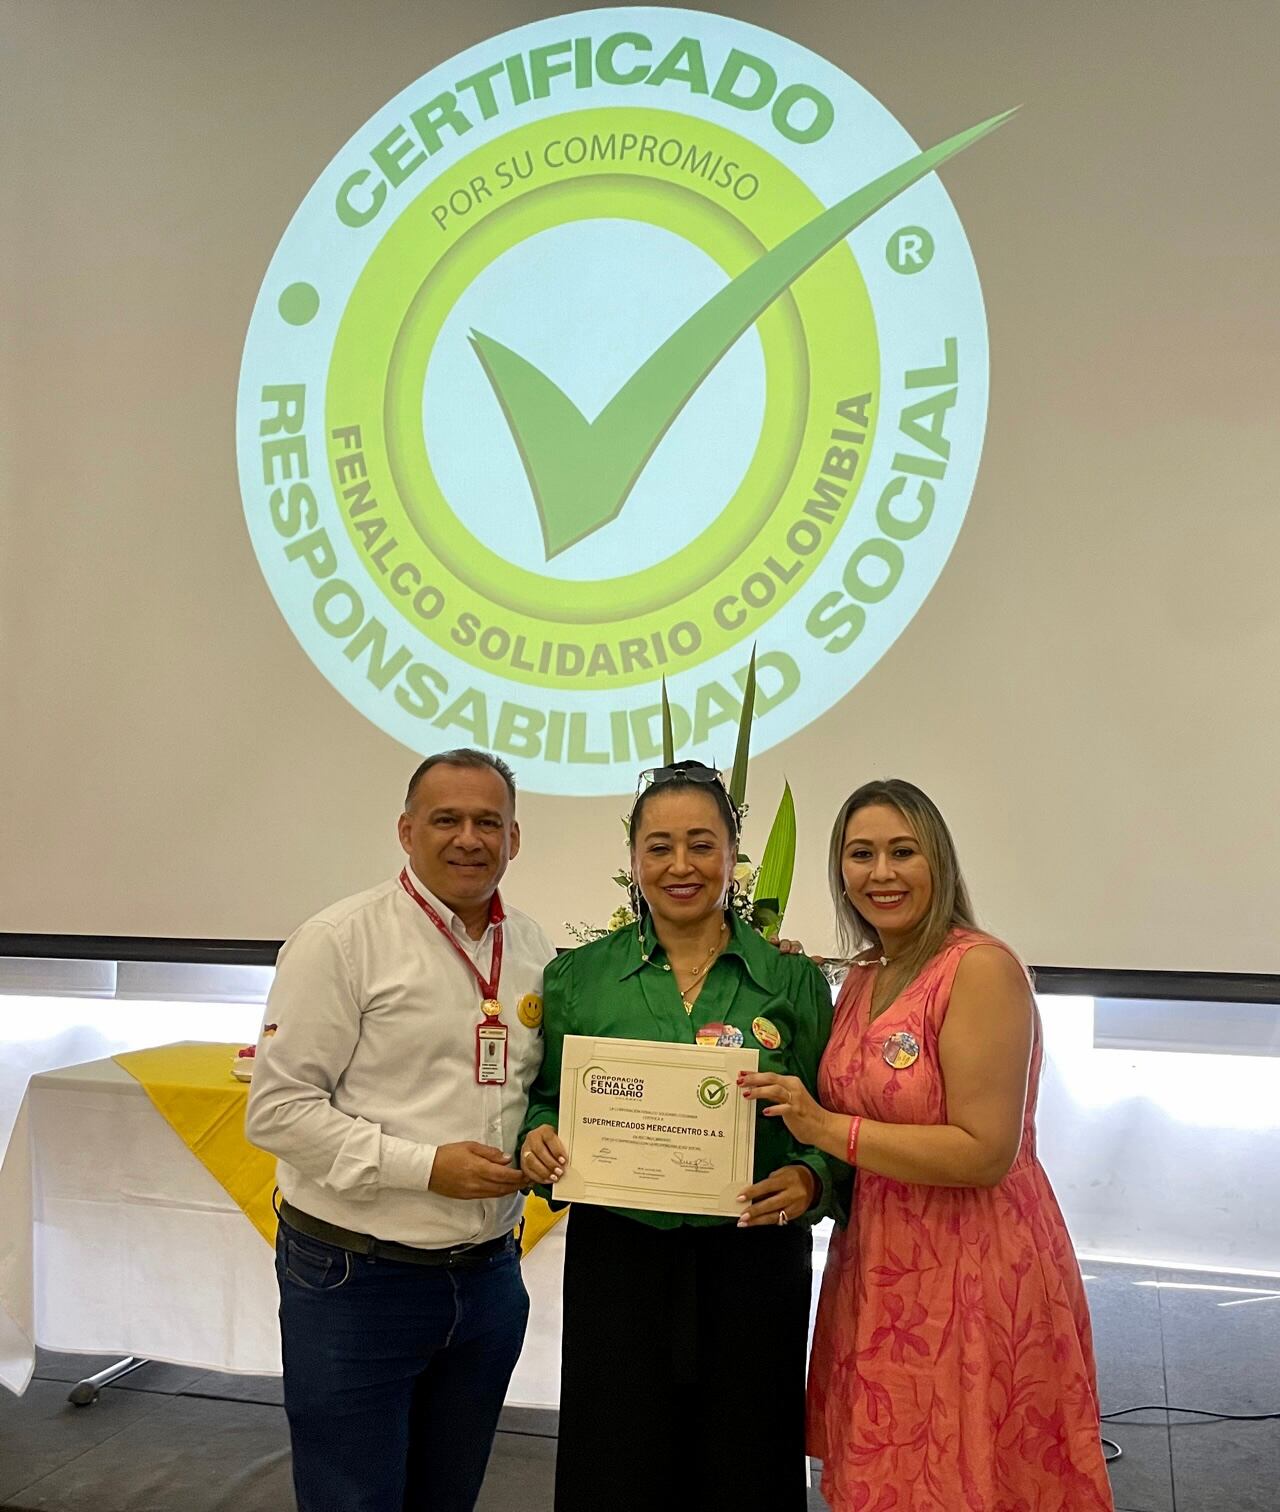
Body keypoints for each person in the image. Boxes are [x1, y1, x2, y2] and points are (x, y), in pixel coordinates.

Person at [740, 778, 1114, 1511]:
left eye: (902, 851)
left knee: (971, 1479)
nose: (881, 873)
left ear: (937, 861)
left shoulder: (979, 968)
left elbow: (985, 1151)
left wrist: (827, 1129)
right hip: (880, 1270)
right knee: (888, 1478)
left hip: (975, 1271)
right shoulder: (861, 978)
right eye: (861, 854)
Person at [518, 760, 847, 1511]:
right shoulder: (577, 978)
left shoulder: (792, 982)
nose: (680, 866)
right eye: (658, 847)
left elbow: (829, 1123)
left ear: (735, 857)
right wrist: (538, 1141)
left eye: (702, 845)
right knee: (616, 1462)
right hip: (619, 1259)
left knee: (747, 1462)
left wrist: (807, 1179)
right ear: (633, 861)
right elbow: (541, 1103)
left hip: (753, 1257)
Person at [245, 749, 555, 1512]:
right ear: (406, 831)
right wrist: (425, 1167)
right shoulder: (339, 940)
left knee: (446, 1499)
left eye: (490, 822)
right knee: (353, 1501)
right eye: (446, 819)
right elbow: (277, 1110)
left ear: (516, 839)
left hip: (487, 1279)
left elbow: (540, 1094)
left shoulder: (539, 951)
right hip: (357, 1280)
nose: (469, 838)